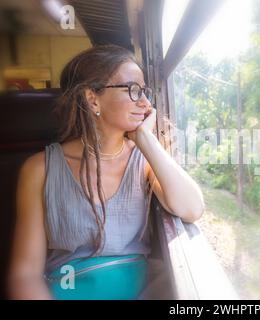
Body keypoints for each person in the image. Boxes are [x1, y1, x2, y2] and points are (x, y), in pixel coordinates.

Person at [7, 45, 205, 300]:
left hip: (138, 290)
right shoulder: (39, 169)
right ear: (92, 99)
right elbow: (25, 275)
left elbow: (192, 209)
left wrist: (146, 140)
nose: (145, 103)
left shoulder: (144, 160)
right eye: (133, 90)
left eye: (144, 91)